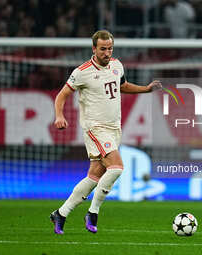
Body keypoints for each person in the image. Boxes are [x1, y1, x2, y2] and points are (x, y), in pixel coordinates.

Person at [50, 30, 161, 234]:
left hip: (113, 128)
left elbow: (123, 86)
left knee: (94, 176)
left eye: (110, 48)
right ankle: (93, 213)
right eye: (103, 49)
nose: (107, 53)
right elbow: (62, 95)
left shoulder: (117, 65)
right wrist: (59, 115)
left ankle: (61, 213)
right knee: (117, 167)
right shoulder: (82, 71)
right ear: (94, 49)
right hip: (95, 128)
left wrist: (146, 89)